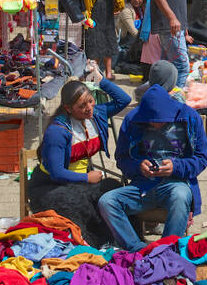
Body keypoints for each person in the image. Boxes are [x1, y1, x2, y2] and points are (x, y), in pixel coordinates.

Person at [100, 83, 207, 250]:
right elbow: (122, 159)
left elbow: (202, 158)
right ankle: (137, 249)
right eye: (152, 122)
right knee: (107, 202)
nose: (157, 125)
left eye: (162, 121)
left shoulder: (189, 117)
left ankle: (165, 251)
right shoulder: (133, 120)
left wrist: (176, 167)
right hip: (142, 186)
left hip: (176, 184)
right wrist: (138, 166)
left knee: (180, 196)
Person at [28, 78, 131, 246]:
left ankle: (121, 239)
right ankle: (92, 245)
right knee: (80, 204)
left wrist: (101, 80)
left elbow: (124, 100)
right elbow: (56, 173)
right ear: (68, 108)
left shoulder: (96, 115)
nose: (89, 108)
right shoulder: (57, 132)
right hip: (49, 186)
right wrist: (86, 178)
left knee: (113, 190)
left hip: (80, 182)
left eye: (90, 101)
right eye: (82, 106)